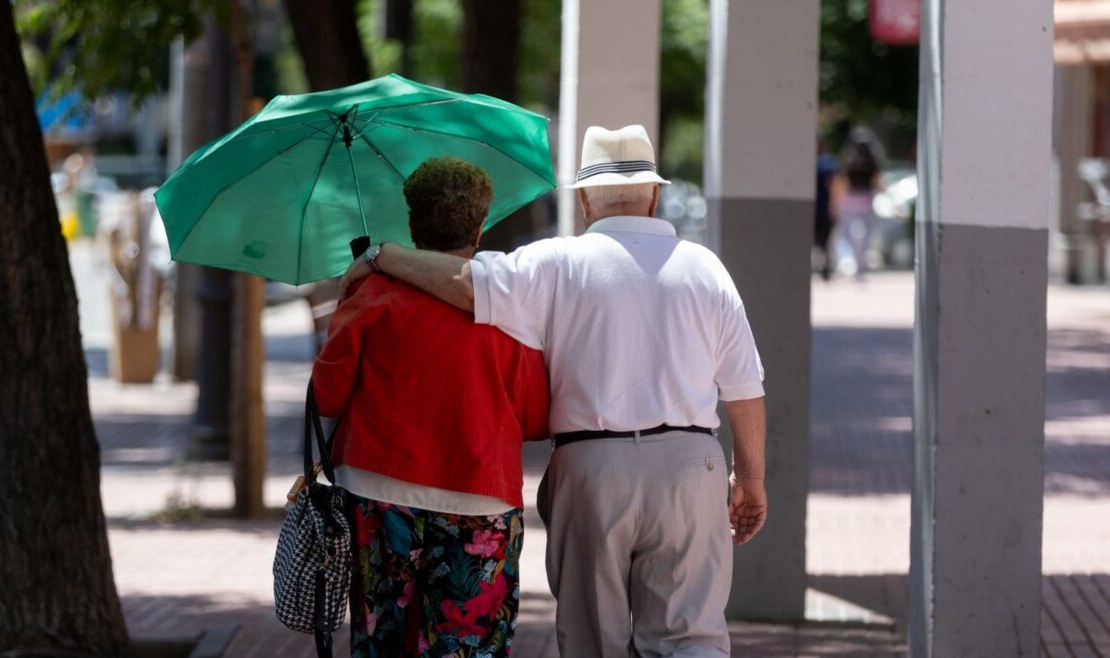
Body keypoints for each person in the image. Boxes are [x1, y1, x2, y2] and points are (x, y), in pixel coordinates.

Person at [340, 125, 768, 658]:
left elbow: (461, 283)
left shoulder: (554, 262)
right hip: (690, 466)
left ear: (585, 200)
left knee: (594, 638)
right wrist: (749, 477)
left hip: (592, 468)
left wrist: (382, 257)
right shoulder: (707, 269)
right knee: (690, 636)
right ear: (654, 195)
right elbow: (745, 386)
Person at [312, 157, 550, 658]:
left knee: (382, 642)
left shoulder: (372, 293)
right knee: (470, 645)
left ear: (413, 225)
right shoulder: (508, 306)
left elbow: (328, 396)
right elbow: (534, 416)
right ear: (481, 226)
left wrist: (346, 299)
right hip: (478, 496)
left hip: (380, 492)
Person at [832, 126, 885, 279]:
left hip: (850, 202)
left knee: (847, 234)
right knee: (867, 235)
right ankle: (860, 264)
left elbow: (841, 183)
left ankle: (851, 261)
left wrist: (836, 202)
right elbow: (877, 183)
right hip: (867, 201)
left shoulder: (847, 159)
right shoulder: (873, 160)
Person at [815, 137, 839, 280]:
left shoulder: (826, 162)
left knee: (824, 241)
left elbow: (833, 184)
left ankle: (825, 266)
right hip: (821, 208)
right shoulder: (826, 161)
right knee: (823, 241)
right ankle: (824, 266)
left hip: (822, 208)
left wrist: (834, 204)